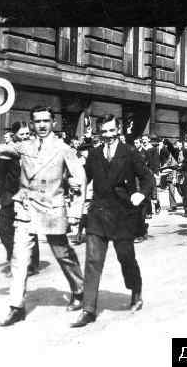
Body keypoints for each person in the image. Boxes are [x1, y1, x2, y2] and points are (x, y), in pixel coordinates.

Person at [0, 106, 86, 327]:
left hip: (52, 208)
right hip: (26, 208)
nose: (42, 125)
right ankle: (16, 306)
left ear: (53, 122)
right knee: (19, 258)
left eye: (46, 121)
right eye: (37, 121)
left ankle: (79, 289)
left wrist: (75, 213)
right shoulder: (23, 146)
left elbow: (79, 178)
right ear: (32, 124)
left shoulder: (63, 149)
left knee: (62, 254)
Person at [70, 115, 155, 328]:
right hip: (98, 213)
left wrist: (141, 194)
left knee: (126, 258)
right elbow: (84, 177)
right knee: (93, 261)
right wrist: (73, 182)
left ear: (118, 130)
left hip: (122, 214)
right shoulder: (95, 154)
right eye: (104, 131)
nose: (108, 135)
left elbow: (147, 178)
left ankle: (135, 289)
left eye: (111, 130)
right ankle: (88, 309)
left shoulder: (130, 152)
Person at [0, 122, 41, 275]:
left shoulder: (35, 148)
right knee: (3, 228)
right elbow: (0, 174)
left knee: (28, 229)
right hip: (10, 196)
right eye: (22, 134)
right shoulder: (7, 151)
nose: (25, 136)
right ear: (14, 135)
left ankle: (31, 265)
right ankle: (15, 259)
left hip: (29, 195)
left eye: (27, 134)